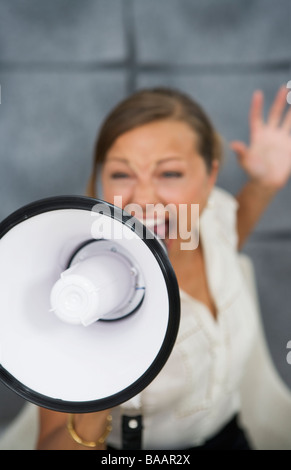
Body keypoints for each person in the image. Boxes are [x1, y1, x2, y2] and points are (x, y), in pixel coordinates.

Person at [37, 85, 291, 450]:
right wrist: (99, 377)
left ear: (209, 178)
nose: (142, 199)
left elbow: (229, 236)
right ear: (99, 182)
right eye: (122, 174)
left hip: (229, 437)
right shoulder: (75, 293)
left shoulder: (212, 216)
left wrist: (263, 185)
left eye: (169, 174)